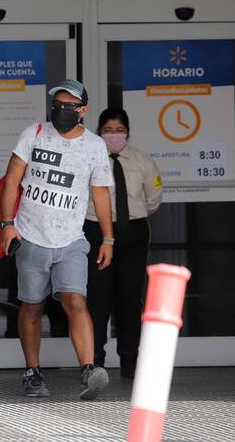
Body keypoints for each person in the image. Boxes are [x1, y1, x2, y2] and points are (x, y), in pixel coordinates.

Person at [0, 79, 115, 400]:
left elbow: (101, 193)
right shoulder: (34, 134)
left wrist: (109, 237)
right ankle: (32, 372)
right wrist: (7, 224)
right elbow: (12, 181)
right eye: (57, 105)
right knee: (32, 306)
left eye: (69, 106)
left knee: (76, 301)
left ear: (83, 111)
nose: (61, 111)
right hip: (31, 235)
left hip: (71, 240)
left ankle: (89, 369)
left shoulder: (94, 146)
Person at [85, 108, 162, 378]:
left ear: (128, 132)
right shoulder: (90, 159)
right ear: (98, 132)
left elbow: (153, 199)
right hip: (95, 231)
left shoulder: (142, 161)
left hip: (132, 234)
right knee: (97, 299)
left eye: (119, 130)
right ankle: (94, 361)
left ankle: (130, 359)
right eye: (107, 130)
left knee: (130, 300)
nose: (113, 135)